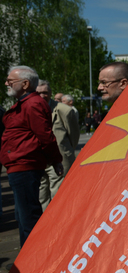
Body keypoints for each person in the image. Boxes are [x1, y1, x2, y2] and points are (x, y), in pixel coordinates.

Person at [1, 66, 62, 246]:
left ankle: (33, 264)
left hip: (25, 166)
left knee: (28, 218)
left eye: (10, 81)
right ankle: (26, 260)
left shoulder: (32, 103)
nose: (6, 83)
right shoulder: (25, 103)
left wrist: (56, 160)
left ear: (25, 84)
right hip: (19, 166)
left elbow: (45, 136)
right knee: (22, 217)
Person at [37, 81, 80, 210]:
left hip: (60, 157)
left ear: (51, 93)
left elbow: (74, 135)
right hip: (38, 158)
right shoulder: (31, 108)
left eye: (45, 92)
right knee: (41, 194)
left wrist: (67, 151)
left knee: (58, 194)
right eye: (39, 93)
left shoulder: (64, 110)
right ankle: (44, 224)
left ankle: (58, 223)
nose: (42, 95)